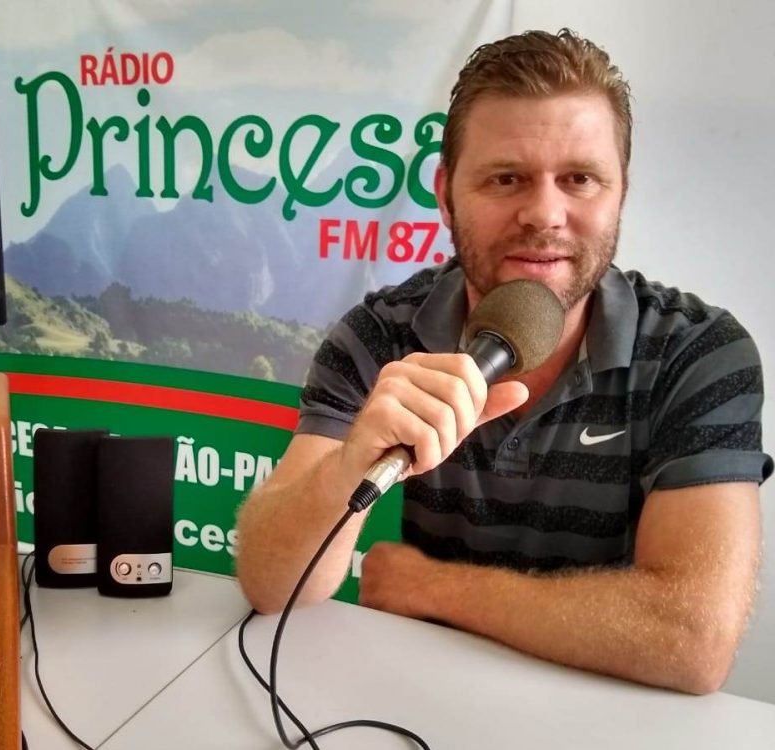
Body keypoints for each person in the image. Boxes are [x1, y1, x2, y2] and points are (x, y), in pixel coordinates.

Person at [234, 28, 772, 695]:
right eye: (506, 178)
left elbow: (692, 641)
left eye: (579, 179)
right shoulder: (375, 337)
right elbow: (271, 585)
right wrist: (344, 473)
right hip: (410, 703)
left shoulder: (699, 353)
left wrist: (432, 587)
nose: (544, 214)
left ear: (621, 193)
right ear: (445, 194)